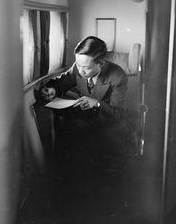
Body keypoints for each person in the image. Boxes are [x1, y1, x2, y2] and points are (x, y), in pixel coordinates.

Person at [39, 36, 133, 177]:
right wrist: (52, 89)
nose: (81, 71)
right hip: (84, 123)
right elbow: (61, 82)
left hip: (108, 126)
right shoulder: (79, 67)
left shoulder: (118, 76)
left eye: (87, 68)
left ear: (101, 63)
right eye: (78, 65)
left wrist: (98, 104)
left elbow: (118, 115)